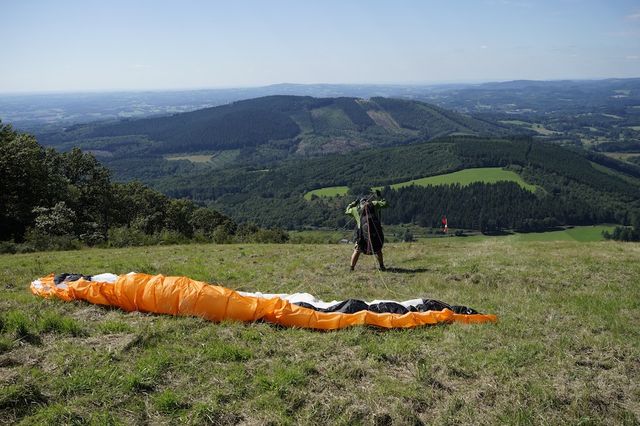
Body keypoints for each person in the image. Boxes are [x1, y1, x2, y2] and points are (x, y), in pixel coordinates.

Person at [345, 190, 388, 271]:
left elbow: (347, 211)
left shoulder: (356, 209)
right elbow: (385, 204)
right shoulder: (374, 204)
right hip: (375, 233)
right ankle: (382, 266)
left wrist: (353, 203)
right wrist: (380, 197)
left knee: (357, 250)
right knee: (378, 250)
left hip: (361, 235)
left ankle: (352, 268)